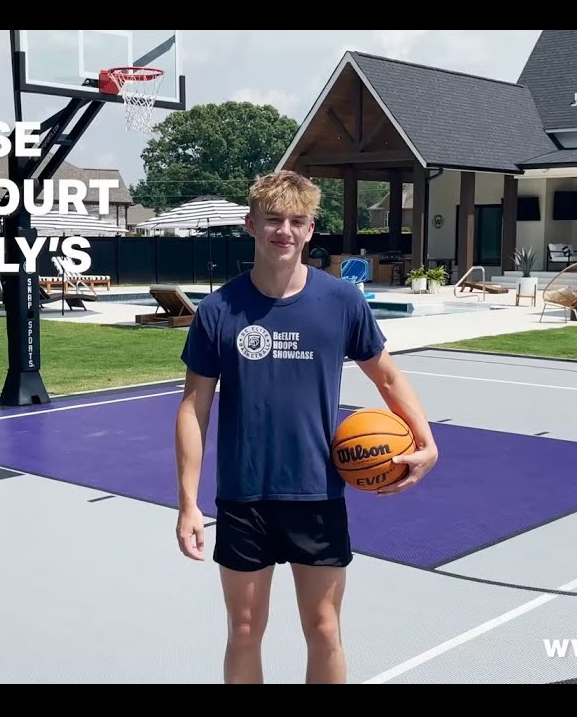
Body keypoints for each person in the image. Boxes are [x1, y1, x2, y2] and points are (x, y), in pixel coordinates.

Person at [172, 170, 438, 684]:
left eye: (297, 221)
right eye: (273, 220)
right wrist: (188, 503)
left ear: (312, 229)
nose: (284, 231)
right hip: (244, 498)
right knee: (245, 630)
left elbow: (387, 376)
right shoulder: (219, 309)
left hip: (317, 494)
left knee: (323, 628)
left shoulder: (341, 301)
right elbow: (193, 408)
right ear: (251, 225)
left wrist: (426, 442)